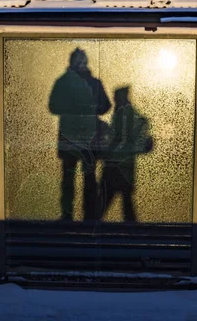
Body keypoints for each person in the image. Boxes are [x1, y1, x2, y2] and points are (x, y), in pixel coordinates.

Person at [49, 48, 111, 221]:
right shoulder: (94, 83)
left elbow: (53, 107)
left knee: (69, 177)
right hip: (88, 138)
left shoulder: (62, 82)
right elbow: (106, 106)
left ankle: (67, 214)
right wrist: (90, 111)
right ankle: (88, 215)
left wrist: (71, 110)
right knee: (88, 176)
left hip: (68, 137)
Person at [100, 87, 153, 222]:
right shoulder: (125, 112)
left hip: (116, 162)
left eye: (116, 97)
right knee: (125, 198)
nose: (114, 100)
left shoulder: (124, 113)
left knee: (108, 196)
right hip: (125, 163)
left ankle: (93, 225)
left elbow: (118, 137)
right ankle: (132, 228)